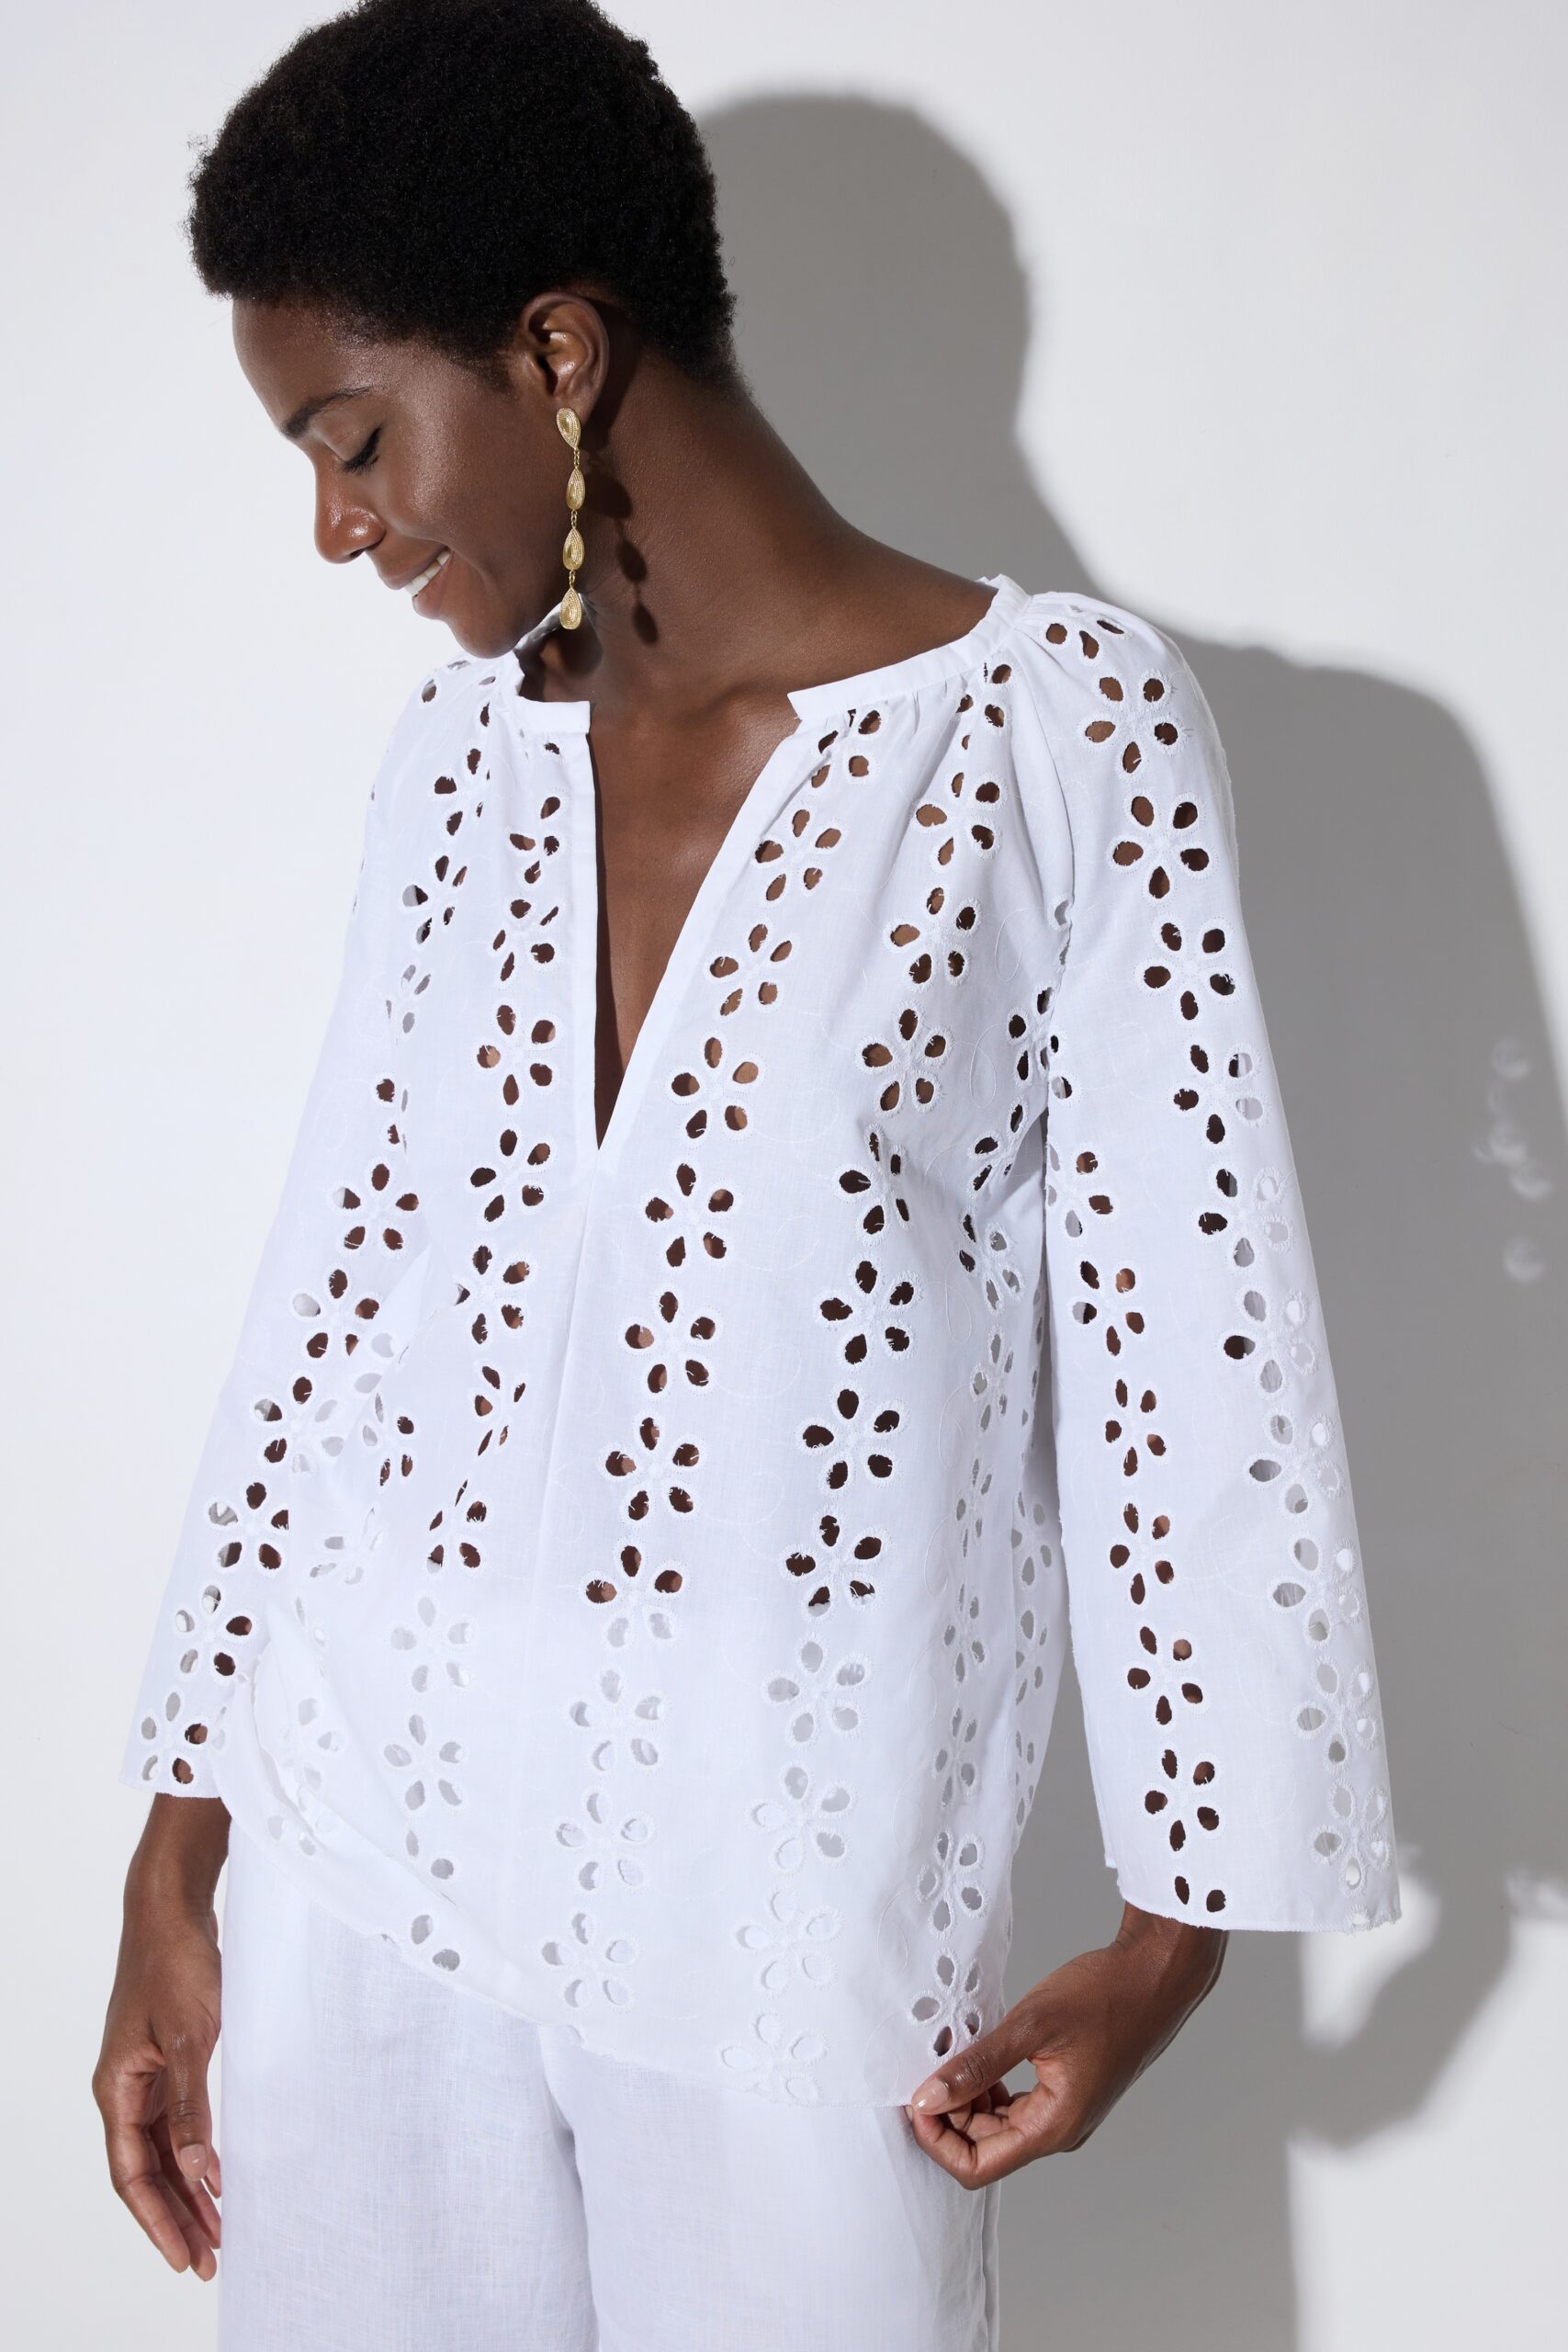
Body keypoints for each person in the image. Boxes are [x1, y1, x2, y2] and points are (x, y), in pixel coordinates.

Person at [94, 3, 1400, 2346]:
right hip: (357, 1874)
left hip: (790, 1896)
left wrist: (1178, 1925)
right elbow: (331, 1304)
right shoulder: (457, 769)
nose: (337, 525)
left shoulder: (1043, 730)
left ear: (556, 353)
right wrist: (178, 1855)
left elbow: (1188, 1348)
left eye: (354, 437)